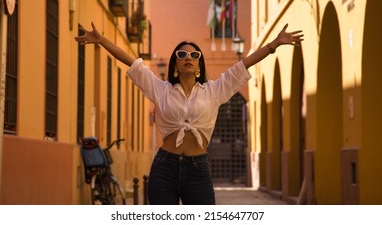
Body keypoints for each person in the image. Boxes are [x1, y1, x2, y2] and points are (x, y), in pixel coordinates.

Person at [75, 22, 304, 205]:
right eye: (182, 55)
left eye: (194, 56)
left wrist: (274, 44)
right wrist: (101, 40)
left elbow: (244, 65)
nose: (188, 58)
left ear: (199, 66)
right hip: (164, 168)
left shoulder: (214, 91)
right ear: (175, 64)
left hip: (198, 170)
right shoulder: (160, 89)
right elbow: (133, 63)